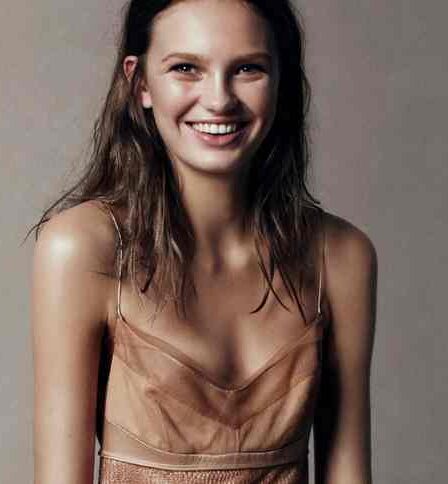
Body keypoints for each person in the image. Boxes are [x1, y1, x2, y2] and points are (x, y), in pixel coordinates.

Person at [29, 0, 377, 482]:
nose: (219, 100)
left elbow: (349, 471)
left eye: (248, 68)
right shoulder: (83, 250)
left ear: (280, 81)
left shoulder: (339, 257)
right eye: (186, 68)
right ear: (140, 83)